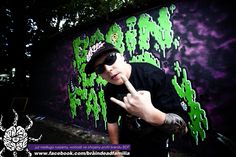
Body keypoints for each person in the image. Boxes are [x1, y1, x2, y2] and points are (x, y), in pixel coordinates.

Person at [85, 41, 188, 157]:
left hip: (155, 147)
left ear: (122, 56)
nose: (108, 69)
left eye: (110, 59)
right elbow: (112, 121)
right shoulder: (109, 90)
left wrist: (150, 114)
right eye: (99, 69)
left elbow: (183, 129)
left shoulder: (152, 75)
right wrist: (116, 151)